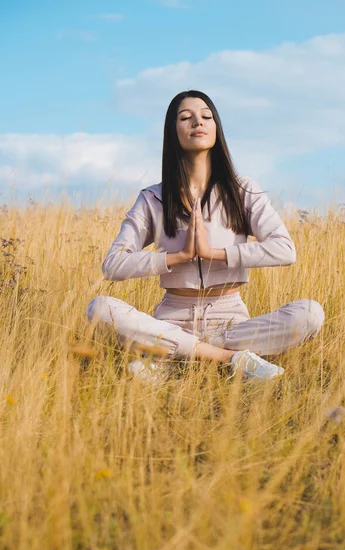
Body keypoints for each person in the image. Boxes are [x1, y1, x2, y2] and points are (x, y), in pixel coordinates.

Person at [86, 90, 324, 382]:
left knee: (310, 313)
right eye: (186, 117)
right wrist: (177, 257)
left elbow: (285, 250)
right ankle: (229, 359)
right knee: (99, 308)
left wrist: (215, 254)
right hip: (173, 317)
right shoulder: (153, 198)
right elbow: (112, 265)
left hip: (231, 321)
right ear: (173, 132)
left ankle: (178, 360)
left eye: (206, 116)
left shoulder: (243, 191)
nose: (197, 122)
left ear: (215, 127)